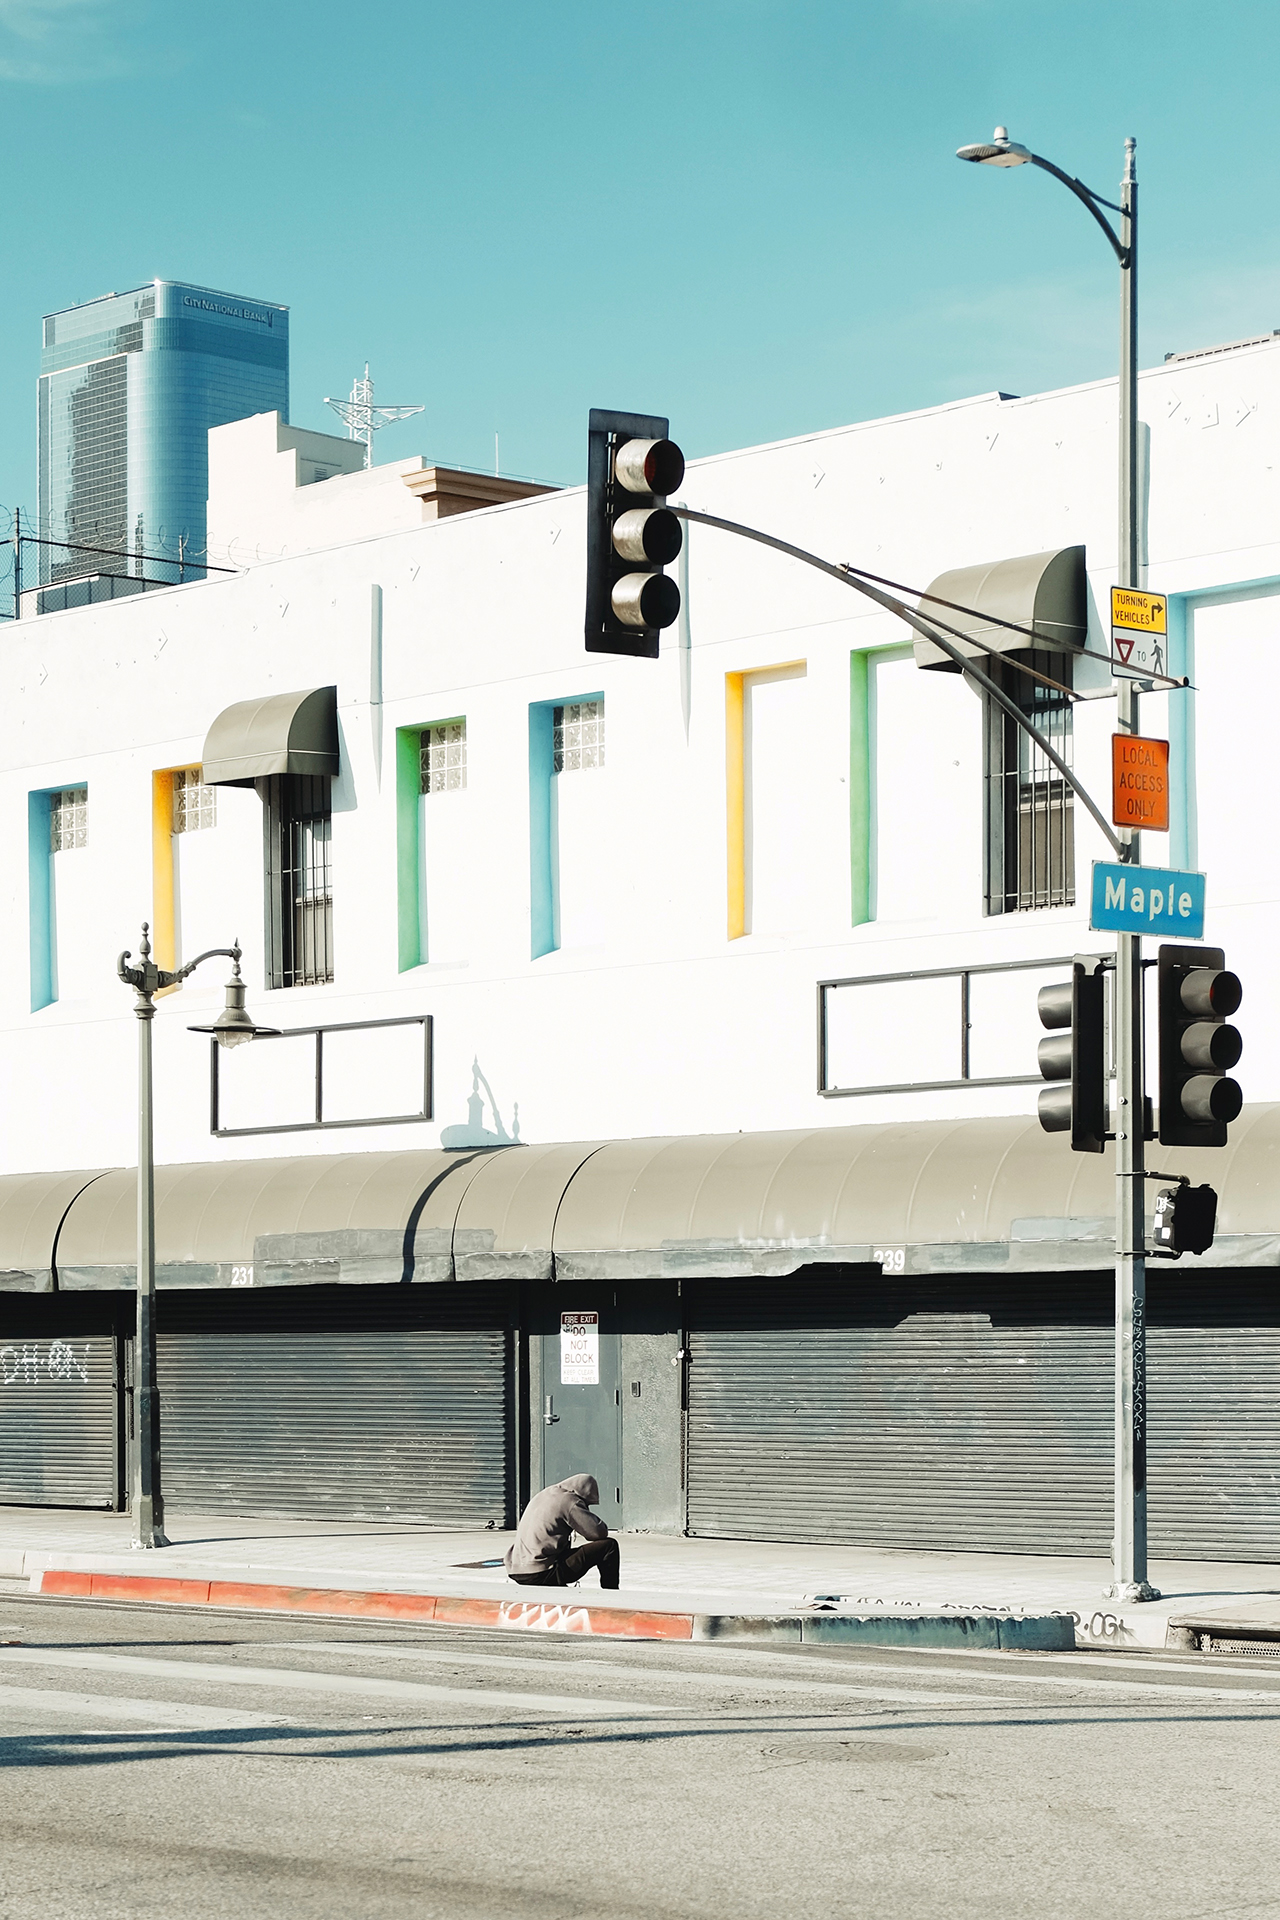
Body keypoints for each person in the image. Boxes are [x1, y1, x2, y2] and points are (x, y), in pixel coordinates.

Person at [505, 1473, 620, 1590]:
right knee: (609, 1546)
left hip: (516, 1569)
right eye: (587, 1503)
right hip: (541, 1571)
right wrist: (586, 1514)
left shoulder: (545, 1494)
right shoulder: (569, 1500)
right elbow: (597, 1533)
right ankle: (611, 1592)